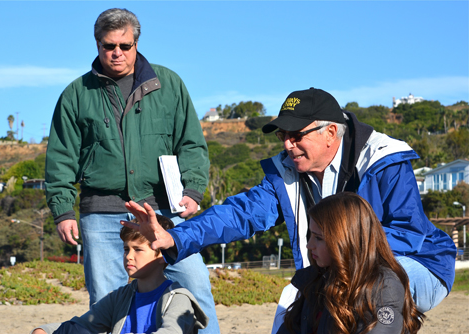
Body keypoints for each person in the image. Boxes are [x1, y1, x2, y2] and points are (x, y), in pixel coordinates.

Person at [123, 88, 456, 321]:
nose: (287, 143)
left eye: (297, 134)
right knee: (292, 304)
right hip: (335, 271)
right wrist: (175, 238)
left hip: (418, 265)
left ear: (330, 133)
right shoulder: (287, 172)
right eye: (282, 134)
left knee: (367, 286)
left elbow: (410, 234)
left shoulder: (385, 159)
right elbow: (238, 214)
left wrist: (341, 248)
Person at [44, 8, 219, 333]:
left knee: (195, 285)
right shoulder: (75, 95)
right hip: (102, 213)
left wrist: (194, 190)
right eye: (109, 46)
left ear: (136, 43)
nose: (116, 53)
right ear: (97, 45)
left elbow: (192, 143)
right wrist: (62, 210)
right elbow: (60, 157)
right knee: (107, 304)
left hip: (165, 210)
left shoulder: (169, 84)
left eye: (124, 46)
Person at [31, 215, 208, 334]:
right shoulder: (120, 298)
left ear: (162, 255)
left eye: (138, 249)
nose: (128, 256)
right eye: (126, 249)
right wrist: (45, 331)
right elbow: (82, 325)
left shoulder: (177, 298)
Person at [277, 192, 424, 334]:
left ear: (346, 240)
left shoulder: (383, 288)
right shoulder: (317, 279)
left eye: (319, 238)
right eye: (311, 235)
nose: (309, 245)